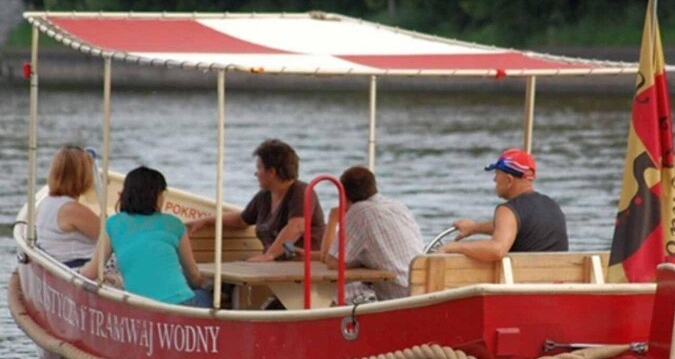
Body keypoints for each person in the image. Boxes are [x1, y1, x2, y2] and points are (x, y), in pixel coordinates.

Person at [81, 166, 211, 307]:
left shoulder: (113, 224)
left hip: (141, 306)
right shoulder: (174, 224)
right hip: (182, 304)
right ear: (157, 196)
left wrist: (74, 270)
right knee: (205, 295)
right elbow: (193, 276)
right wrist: (208, 285)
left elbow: (91, 272)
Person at [188, 139, 325, 262]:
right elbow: (241, 220)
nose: (255, 174)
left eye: (259, 168)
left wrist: (269, 255)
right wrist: (207, 220)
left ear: (271, 172)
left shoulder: (301, 191)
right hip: (275, 266)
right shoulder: (264, 196)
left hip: (303, 266)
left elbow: (297, 226)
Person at [440, 149, 568, 261]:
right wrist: (473, 228)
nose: (494, 180)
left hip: (524, 284)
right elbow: (513, 227)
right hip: (559, 282)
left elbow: (497, 249)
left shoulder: (507, 210)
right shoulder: (552, 206)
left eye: (497, 174)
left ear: (508, 180)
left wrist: (453, 247)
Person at [325, 166, 423, 302]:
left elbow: (332, 262)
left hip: (398, 295)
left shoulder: (359, 211)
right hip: (420, 285)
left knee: (333, 293)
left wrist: (333, 218)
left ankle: (327, 321)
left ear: (343, 194)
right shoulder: (397, 205)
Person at [36, 145, 100, 268]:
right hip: (78, 269)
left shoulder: (46, 203)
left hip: (59, 264)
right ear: (82, 176)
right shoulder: (72, 210)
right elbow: (112, 238)